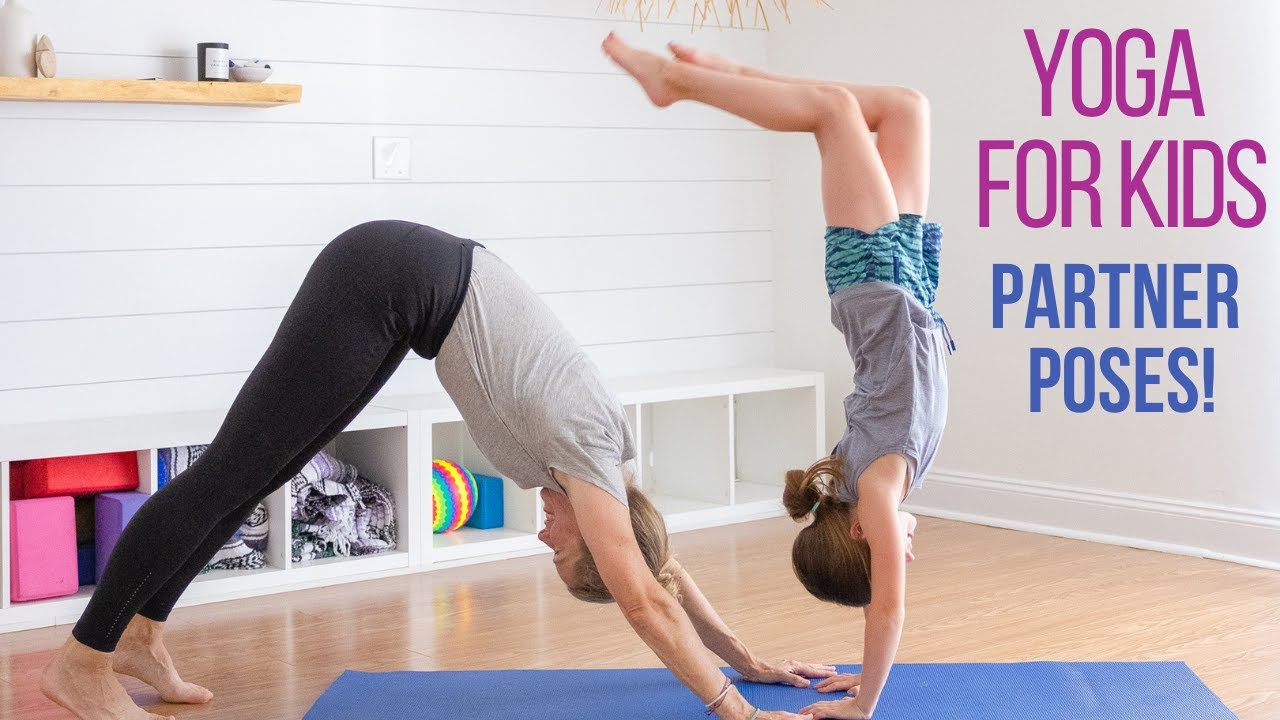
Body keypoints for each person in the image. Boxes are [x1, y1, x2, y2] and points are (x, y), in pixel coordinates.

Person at [41, 220, 833, 720]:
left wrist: (750, 658)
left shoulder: (607, 474)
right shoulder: (589, 449)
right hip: (384, 276)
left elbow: (662, 572)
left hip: (409, 291)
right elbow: (643, 600)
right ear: (600, 533)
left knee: (256, 474)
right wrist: (738, 712)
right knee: (227, 472)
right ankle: (83, 661)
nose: (544, 537)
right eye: (562, 548)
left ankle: (141, 636)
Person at [603, 34, 950, 720]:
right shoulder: (894, 477)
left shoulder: (876, 487)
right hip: (911, 286)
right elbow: (885, 596)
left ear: (862, 538)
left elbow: (887, 614)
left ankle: (679, 83)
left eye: (890, 557)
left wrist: (865, 704)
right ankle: (735, 73)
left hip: (872, 280)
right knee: (906, 107)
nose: (905, 557)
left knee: (830, 111)